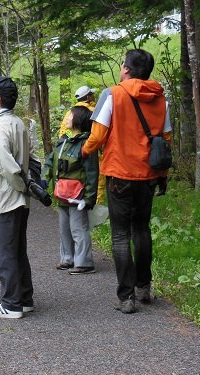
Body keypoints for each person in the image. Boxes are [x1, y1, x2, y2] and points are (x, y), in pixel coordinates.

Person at [82, 49, 172, 314]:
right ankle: (144, 288)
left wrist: (84, 151)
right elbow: (165, 140)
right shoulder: (160, 98)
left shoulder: (113, 94)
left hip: (119, 173)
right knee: (142, 230)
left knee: (120, 234)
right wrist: (162, 175)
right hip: (148, 175)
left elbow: (98, 135)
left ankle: (126, 297)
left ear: (127, 69)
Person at [0, 76, 33, 319]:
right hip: (18, 198)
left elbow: (7, 165)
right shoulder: (17, 122)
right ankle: (24, 299)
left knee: (2, 253)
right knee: (17, 250)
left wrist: (21, 186)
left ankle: (11, 305)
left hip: (5, 197)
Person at [42, 106, 98, 274]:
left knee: (78, 228)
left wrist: (89, 198)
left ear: (78, 120)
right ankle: (68, 258)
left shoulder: (86, 145)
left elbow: (92, 172)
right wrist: (44, 180)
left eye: (70, 115)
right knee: (64, 228)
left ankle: (84, 262)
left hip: (77, 196)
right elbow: (50, 162)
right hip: (62, 194)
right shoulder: (63, 142)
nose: (66, 119)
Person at [59, 86, 106, 205]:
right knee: (97, 180)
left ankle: (74, 201)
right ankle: (95, 206)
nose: (93, 96)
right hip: (93, 150)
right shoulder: (95, 111)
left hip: (72, 153)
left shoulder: (70, 112)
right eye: (91, 94)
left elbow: (63, 133)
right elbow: (99, 135)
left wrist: (74, 140)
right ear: (88, 97)